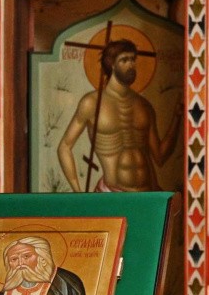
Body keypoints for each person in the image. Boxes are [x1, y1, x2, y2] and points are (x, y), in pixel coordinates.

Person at [57, 39, 179, 192]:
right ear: (112, 64)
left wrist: (177, 117)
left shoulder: (144, 105)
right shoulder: (92, 103)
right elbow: (64, 147)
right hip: (112, 194)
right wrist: (78, 192)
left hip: (149, 193)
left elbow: (160, 157)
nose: (131, 65)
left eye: (133, 59)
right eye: (124, 60)